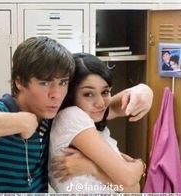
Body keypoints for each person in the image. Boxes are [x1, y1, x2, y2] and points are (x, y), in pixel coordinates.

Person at [0, 36, 153, 193]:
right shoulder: (0, 111)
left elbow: (108, 106)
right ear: (19, 81)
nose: (56, 94)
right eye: (45, 83)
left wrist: (145, 90)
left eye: (63, 83)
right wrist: (19, 121)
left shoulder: (50, 117)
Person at [49, 53, 146, 193]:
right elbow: (128, 178)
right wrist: (141, 166)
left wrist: (93, 168)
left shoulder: (94, 128)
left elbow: (132, 189)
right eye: (88, 94)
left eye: (105, 92)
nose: (101, 103)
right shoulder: (70, 116)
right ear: (70, 95)